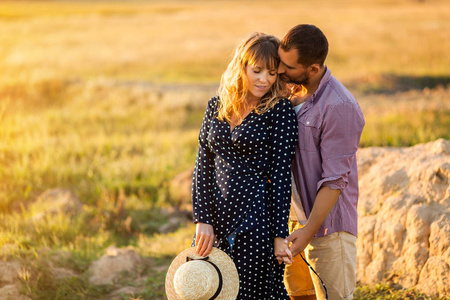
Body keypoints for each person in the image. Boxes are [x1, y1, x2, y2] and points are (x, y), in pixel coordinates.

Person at [191, 32, 298, 299]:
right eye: (257, 70)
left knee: (250, 293)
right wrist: (202, 218)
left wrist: (278, 235)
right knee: (205, 288)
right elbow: (202, 167)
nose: (264, 79)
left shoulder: (279, 111)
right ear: (242, 66)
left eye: (272, 73)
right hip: (214, 218)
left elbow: (282, 176)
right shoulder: (215, 106)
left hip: (255, 220)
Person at [276, 24, 365, 300]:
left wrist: (309, 231)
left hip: (327, 229)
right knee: (299, 295)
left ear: (313, 69)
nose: (280, 70)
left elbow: (335, 180)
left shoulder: (339, 106)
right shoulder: (291, 93)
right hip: (293, 223)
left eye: (288, 67)